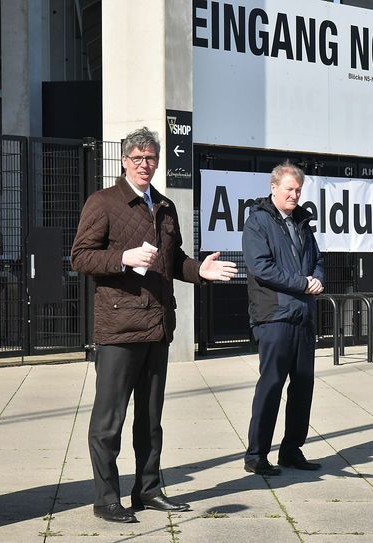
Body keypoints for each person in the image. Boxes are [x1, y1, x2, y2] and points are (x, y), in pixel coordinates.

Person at [71, 127, 237, 523]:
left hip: (157, 327)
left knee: (151, 420)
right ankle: (106, 499)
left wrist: (200, 271)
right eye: (138, 158)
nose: (145, 165)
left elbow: (173, 258)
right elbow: (80, 256)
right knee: (109, 422)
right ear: (125, 161)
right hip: (119, 328)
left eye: (151, 158)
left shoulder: (164, 205)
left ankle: (147, 490)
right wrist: (123, 258)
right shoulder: (104, 203)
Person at [242, 161, 324, 476]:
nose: (294, 194)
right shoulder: (257, 223)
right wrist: (303, 282)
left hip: (302, 315)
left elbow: (316, 259)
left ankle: (292, 450)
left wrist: (316, 277)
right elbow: (262, 268)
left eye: (298, 190)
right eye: (289, 189)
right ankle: (256, 455)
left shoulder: (302, 222)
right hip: (273, 317)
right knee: (272, 385)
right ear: (273, 187)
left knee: (303, 386)